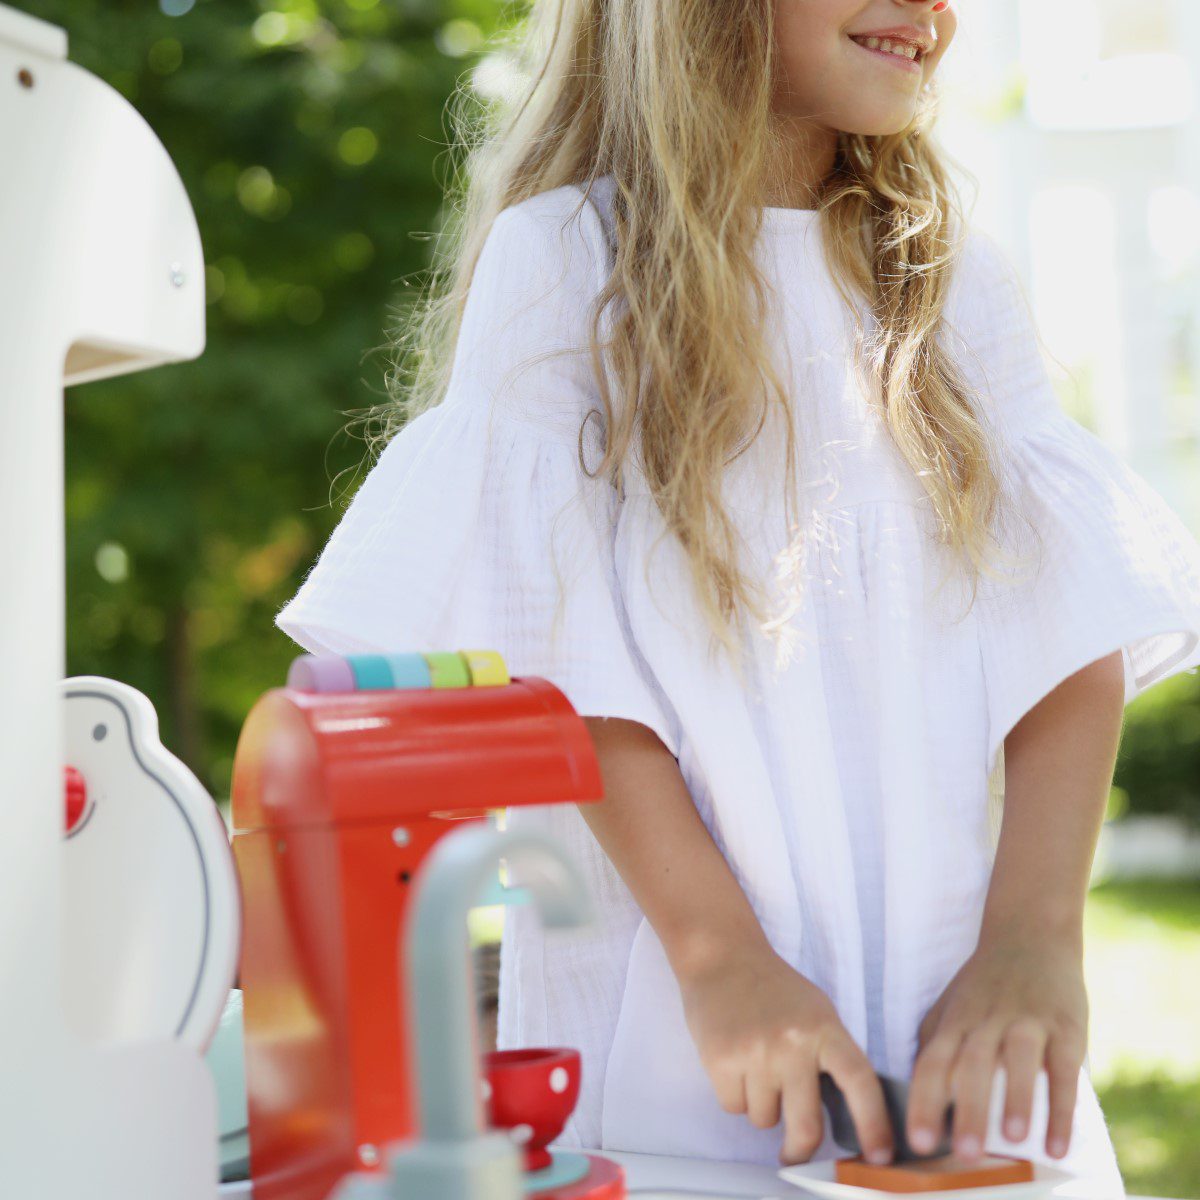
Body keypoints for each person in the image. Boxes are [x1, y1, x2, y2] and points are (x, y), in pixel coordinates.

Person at [273, 1, 1200, 1194]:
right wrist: (721, 960)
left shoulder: (946, 276)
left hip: (957, 1047)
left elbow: (1067, 620)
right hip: (682, 1039)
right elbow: (558, 654)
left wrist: (1033, 939)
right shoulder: (568, 264)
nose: (935, 9)